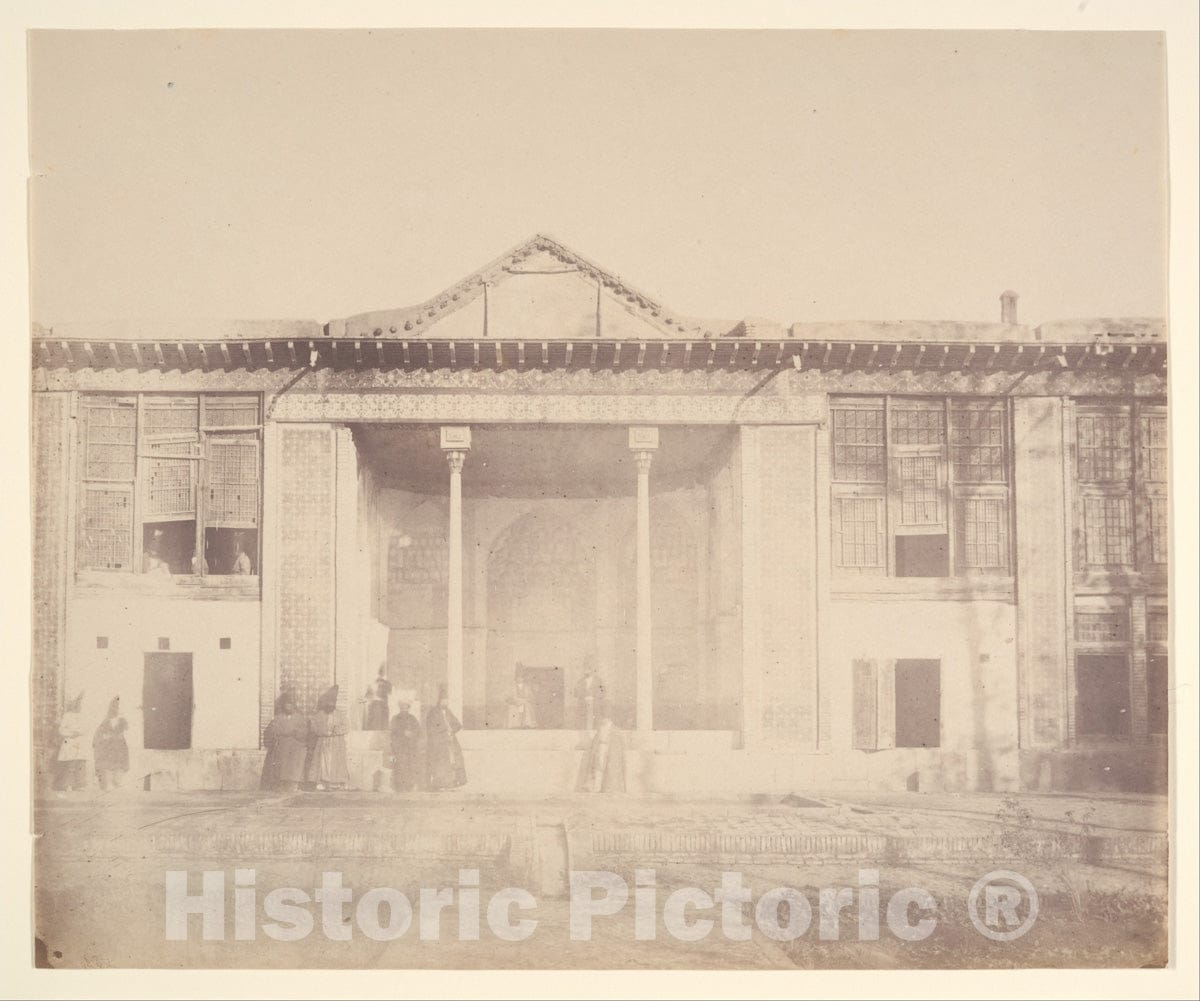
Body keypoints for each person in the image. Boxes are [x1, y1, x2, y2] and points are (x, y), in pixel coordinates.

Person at [260, 690, 308, 791]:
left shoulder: (300, 718)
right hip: (282, 748)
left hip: (296, 749)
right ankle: (281, 784)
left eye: (290, 705)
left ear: (294, 706)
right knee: (281, 769)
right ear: (284, 706)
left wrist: (293, 732)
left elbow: (304, 732)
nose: (288, 707)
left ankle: (293, 785)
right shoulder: (278, 718)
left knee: (294, 769)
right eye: (286, 705)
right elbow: (272, 730)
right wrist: (286, 732)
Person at [305, 685, 350, 790]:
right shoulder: (319, 715)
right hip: (323, 743)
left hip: (337, 744)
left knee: (336, 763)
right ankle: (322, 782)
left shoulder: (340, 715)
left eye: (332, 704)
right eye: (328, 704)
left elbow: (347, 727)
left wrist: (336, 730)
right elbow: (313, 727)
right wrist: (325, 732)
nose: (330, 706)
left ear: (334, 704)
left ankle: (336, 783)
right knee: (322, 763)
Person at [425, 685, 466, 790]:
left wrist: (451, 730)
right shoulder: (433, 713)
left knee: (455, 760)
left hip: (450, 741)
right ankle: (440, 784)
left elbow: (457, 724)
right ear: (439, 701)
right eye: (443, 700)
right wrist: (443, 732)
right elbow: (431, 728)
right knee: (441, 763)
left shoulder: (448, 712)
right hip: (438, 742)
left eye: (446, 701)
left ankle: (454, 783)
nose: (445, 703)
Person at [580, 716, 626, 793]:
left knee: (608, 771)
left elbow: (618, 747)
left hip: (607, 753)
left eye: (606, 719)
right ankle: (596, 787)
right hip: (600, 753)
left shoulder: (615, 731)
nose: (603, 720)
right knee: (598, 769)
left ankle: (606, 787)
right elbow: (595, 743)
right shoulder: (601, 729)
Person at [93, 696, 130, 791]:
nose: (116, 710)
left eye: (117, 707)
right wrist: (105, 737)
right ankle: (109, 783)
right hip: (109, 746)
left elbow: (128, 731)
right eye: (114, 707)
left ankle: (117, 782)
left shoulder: (123, 720)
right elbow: (100, 732)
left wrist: (121, 735)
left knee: (120, 764)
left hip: (120, 746)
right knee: (108, 764)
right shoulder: (106, 720)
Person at [54, 692, 88, 792]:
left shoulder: (84, 716)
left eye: (80, 704)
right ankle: (67, 784)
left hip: (80, 742)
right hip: (69, 742)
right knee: (69, 764)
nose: (78, 706)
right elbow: (61, 729)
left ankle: (79, 784)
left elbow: (87, 728)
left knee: (80, 763)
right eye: (76, 704)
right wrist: (70, 733)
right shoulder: (67, 715)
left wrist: (80, 732)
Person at [388, 698, 423, 792]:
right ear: (400, 707)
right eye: (402, 707)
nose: (404, 709)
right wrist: (403, 733)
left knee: (410, 766)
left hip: (411, 747)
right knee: (400, 766)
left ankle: (409, 786)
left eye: (406, 707)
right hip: (400, 747)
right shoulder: (395, 718)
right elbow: (392, 732)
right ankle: (400, 787)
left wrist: (412, 734)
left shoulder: (413, 718)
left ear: (408, 708)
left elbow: (419, 731)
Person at [574, 666, 606, 730]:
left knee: (595, 721)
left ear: (593, 671)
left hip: (595, 703)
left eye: (589, 669)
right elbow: (575, 693)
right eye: (585, 670)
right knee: (583, 721)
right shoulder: (580, 681)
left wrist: (596, 696)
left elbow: (603, 691)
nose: (587, 671)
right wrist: (582, 695)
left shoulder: (598, 680)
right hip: (583, 704)